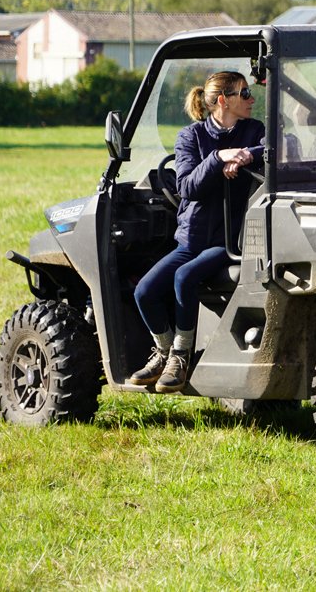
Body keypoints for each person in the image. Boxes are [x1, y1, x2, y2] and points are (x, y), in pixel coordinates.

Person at [128, 71, 265, 392]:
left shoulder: (254, 130)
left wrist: (248, 154)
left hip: (229, 241)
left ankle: (181, 356)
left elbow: (278, 147)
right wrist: (218, 158)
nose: (251, 99)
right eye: (245, 93)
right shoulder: (191, 136)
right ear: (223, 101)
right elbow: (188, 186)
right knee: (144, 292)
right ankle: (164, 352)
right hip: (191, 240)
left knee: (184, 277)